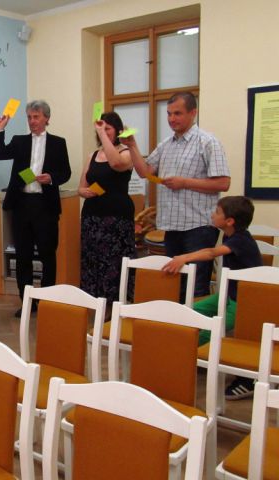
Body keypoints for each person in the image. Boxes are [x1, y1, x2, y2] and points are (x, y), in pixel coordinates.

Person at [121, 91, 231, 297]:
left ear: (193, 113)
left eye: (177, 113)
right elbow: (145, 172)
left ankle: (197, 319)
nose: (172, 119)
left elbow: (223, 183)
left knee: (196, 287)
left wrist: (184, 182)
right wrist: (132, 146)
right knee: (175, 284)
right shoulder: (166, 144)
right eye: (169, 114)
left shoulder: (208, 142)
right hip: (172, 226)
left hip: (199, 226)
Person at [162, 196, 262, 399]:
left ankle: (248, 380)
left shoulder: (241, 239)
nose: (212, 214)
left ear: (229, 221)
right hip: (228, 295)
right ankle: (182, 353)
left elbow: (210, 253)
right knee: (190, 313)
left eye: (217, 212)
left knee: (210, 331)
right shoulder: (229, 235)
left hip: (245, 303)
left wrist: (184, 257)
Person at [0, 100, 71, 317]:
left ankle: (46, 302)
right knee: (23, 257)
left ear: (46, 118)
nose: (32, 121)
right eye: (29, 117)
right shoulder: (19, 141)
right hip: (22, 205)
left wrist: (51, 178)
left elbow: (66, 172)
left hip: (45, 206)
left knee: (47, 256)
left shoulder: (58, 143)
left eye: (36, 117)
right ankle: (27, 302)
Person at [78, 112, 134, 304]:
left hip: (117, 217)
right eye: (101, 128)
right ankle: (94, 301)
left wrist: (103, 135)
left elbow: (116, 163)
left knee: (113, 261)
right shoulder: (92, 155)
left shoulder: (126, 152)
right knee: (92, 259)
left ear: (117, 130)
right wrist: (83, 192)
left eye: (108, 128)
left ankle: (114, 304)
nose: (104, 131)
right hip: (92, 215)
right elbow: (81, 186)